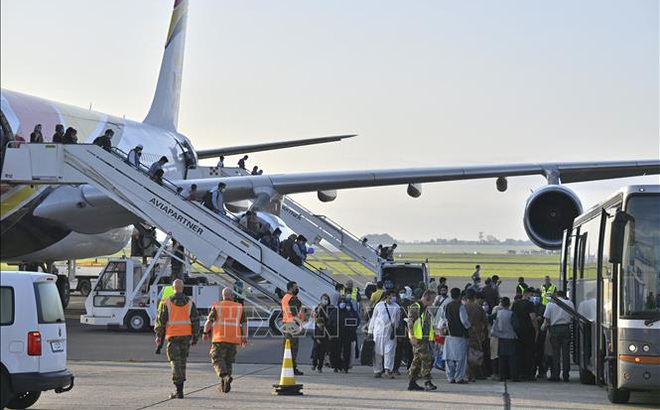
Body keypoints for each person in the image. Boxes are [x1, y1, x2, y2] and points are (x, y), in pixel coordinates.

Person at [154, 279, 199, 399]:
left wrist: (159, 336)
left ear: (173, 288)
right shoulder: (190, 302)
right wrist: (195, 337)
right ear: (182, 288)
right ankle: (181, 389)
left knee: (175, 362)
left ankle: (178, 390)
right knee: (182, 362)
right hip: (186, 337)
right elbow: (195, 320)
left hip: (173, 336)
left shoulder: (167, 302)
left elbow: (161, 321)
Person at [203, 287, 247, 394]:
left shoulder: (217, 306)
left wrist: (205, 332)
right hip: (233, 339)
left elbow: (209, 321)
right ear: (232, 296)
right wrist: (244, 337)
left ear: (223, 296)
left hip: (219, 338)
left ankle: (225, 376)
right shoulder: (239, 307)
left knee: (217, 358)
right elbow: (244, 323)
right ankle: (224, 385)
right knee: (228, 361)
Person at [406, 290, 437, 391]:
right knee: (427, 358)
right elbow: (410, 322)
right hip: (418, 339)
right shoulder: (416, 307)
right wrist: (412, 336)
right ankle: (427, 381)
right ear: (427, 298)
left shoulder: (425, 309)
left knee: (417, 361)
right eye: (432, 299)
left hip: (424, 339)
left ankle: (412, 382)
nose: (433, 302)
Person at [368, 289, 400, 378]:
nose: (393, 297)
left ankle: (388, 370)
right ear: (387, 296)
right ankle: (378, 370)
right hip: (378, 333)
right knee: (377, 352)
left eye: (394, 295)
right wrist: (370, 331)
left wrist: (396, 331)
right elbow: (373, 319)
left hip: (390, 333)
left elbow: (397, 321)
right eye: (392, 295)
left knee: (389, 351)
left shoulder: (397, 307)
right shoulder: (379, 306)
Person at [543, 290, 574, 382]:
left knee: (556, 353)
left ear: (556, 295)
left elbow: (547, 318)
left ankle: (556, 375)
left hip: (555, 328)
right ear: (564, 296)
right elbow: (572, 316)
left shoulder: (550, 304)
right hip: (566, 327)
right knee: (566, 353)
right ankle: (566, 375)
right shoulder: (569, 303)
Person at [443, 287, 471, 384]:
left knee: (449, 357)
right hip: (459, 335)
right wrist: (469, 327)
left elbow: (443, 319)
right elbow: (464, 321)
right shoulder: (460, 306)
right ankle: (459, 377)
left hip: (449, 335)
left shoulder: (447, 306)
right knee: (461, 358)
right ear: (459, 296)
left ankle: (450, 377)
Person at [512, 288, 538, 380]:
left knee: (518, 353)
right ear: (526, 294)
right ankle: (528, 374)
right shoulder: (530, 304)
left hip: (517, 331)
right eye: (531, 295)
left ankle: (518, 373)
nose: (533, 297)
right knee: (529, 353)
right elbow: (533, 318)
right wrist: (536, 330)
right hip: (528, 331)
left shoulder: (515, 304)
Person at [491, 297, 518, 381]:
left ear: (501, 304)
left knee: (501, 358)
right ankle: (513, 376)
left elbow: (489, 318)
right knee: (512, 358)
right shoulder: (512, 314)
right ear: (509, 304)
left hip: (501, 337)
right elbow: (516, 325)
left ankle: (501, 376)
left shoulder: (498, 313)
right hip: (510, 337)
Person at [281, 281, 305, 375]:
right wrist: (303, 316)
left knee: (287, 347)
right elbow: (295, 313)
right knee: (293, 348)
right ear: (291, 288)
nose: (297, 289)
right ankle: (292, 367)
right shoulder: (293, 299)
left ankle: (287, 366)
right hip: (293, 325)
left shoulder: (285, 298)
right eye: (295, 287)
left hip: (286, 323)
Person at [464, 289, 488, 381]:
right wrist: (484, 332)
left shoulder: (463, 307)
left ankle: (468, 374)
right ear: (474, 297)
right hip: (477, 334)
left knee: (467, 355)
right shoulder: (479, 308)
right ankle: (477, 374)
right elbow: (485, 322)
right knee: (477, 355)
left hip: (466, 334)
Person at [336, 296, 359, 373]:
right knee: (337, 351)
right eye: (341, 302)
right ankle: (338, 366)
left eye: (344, 303)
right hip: (337, 335)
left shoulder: (349, 313)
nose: (342, 304)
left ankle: (345, 367)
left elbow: (354, 323)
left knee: (347, 351)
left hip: (347, 335)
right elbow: (331, 323)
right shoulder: (335, 313)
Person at [394, 286, 413, 376]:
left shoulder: (410, 303)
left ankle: (410, 368)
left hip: (408, 329)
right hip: (399, 330)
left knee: (410, 350)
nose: (402, 294)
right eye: (401, 292)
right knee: (398, 350)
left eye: (404, 292)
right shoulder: (396, 303)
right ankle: (395, 368)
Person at [311, 294, 331, 373]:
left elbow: (330, 318)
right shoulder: (318, 307)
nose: (325, 300)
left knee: (323, 351)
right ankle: (314, 364)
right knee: (316, 350)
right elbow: (314, 316)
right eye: (323, 299)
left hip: (326, 331)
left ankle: (320, 366)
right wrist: (319, 308)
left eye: (326, 299)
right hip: (318, 330)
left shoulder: (330, 308)